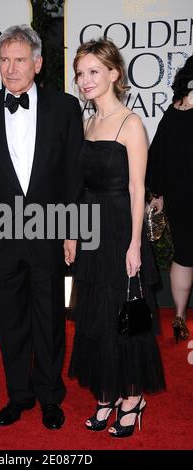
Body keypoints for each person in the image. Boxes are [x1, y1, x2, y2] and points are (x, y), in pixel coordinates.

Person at [0, 25, 83, 429]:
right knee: (8, 320)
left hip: (48, 233)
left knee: (49, 318)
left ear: (37, 63)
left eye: (19, 59)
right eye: (4, 60)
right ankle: (20, 394)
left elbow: (72, 175)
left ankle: (51, 396)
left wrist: (71, 230)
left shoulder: (65, 108)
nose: (10, 68)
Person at [67, 38, 165, 438]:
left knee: (124, 317)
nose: (85, 80)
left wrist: (135, 244)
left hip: (120, 230)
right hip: (89, 229)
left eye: (93, 71)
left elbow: (138, 189)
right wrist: (71, 234)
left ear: (113, 73)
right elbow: (79, 186)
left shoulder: (131, 124)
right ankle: (106, 393)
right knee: (95, 314)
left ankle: (131, 397)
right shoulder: (88, 123)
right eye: (80, 73)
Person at [147, 56, 193, 343]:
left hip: (179, 198)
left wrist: (159, 193)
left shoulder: (172, 113)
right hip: (183, 198)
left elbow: (157, 158)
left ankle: (179, 316)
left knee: (185, 256)